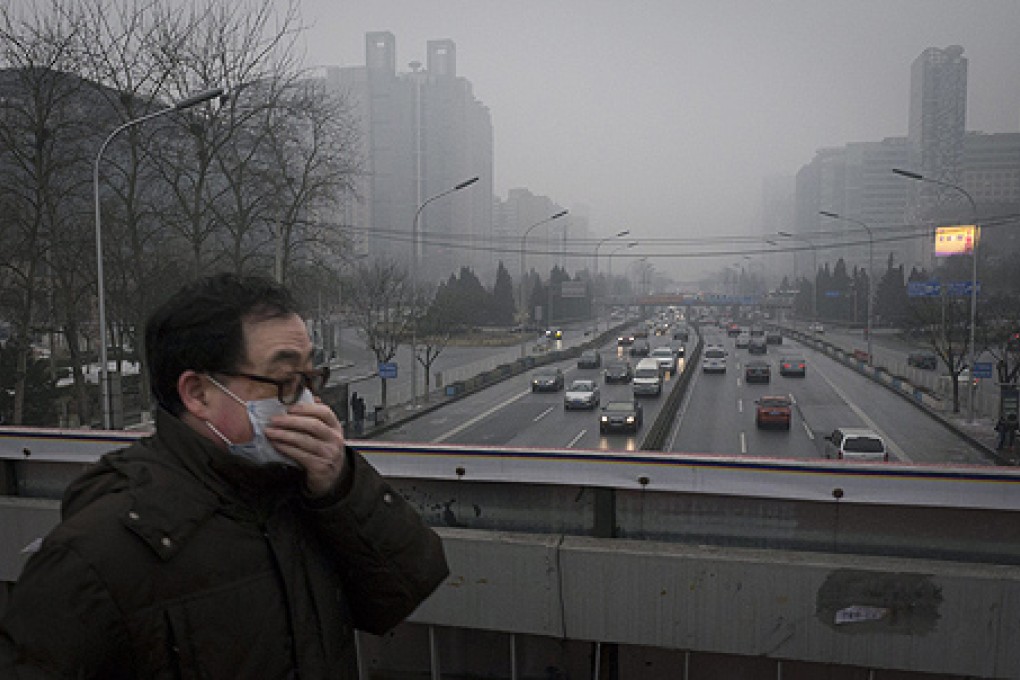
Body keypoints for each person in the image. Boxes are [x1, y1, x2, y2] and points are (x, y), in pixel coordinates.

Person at [0, 273, 449, 679]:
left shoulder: (302, 493)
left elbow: (404, 589)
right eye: (284, 380)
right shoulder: (96, 552)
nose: (311, 405)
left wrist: (341, 486)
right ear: (197, 394)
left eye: (311, 377)